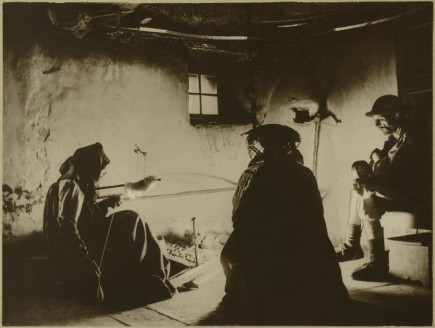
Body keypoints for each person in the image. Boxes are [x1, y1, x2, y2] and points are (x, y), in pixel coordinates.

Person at [220, 124, 350, 325]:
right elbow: (316, 213)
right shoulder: (304, 173)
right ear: (288, 146)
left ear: (262, 147)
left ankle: (236, 293)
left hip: (264, 244)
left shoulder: (253, 175)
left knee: (228, 256)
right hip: (305, 240)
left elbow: (240, 214)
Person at [43, 142, 174, 307]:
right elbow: (68, 227)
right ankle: (152, 275)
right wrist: (86, 261)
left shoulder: (71, 183)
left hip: (84, 237)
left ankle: (154, 273)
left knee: (131, 218)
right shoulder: (70, 186)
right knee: (133, 221)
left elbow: (86, 218)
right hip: (77, 248)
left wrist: (107, 204)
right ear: (91, 167)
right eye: (101, 170)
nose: (103, 174)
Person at [335, 95, 430, 281]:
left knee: (365, 195)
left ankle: (372, 259)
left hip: (416, 193)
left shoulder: (414, 140)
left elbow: (404, 176)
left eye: (380, 119)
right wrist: (372, 168)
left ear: (396, 115)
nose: (377, 125)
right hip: (398, 190)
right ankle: (353, 247)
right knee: (359, 190)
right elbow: (387, 172)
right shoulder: (392, 139)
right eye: (375, 121)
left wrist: (379, 164)